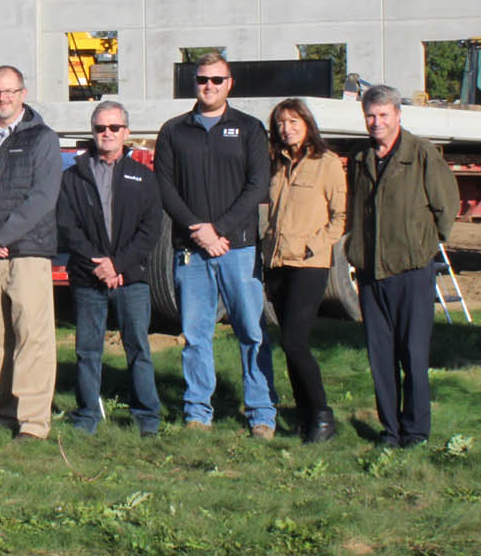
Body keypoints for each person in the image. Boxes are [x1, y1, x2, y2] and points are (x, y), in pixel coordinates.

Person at [154, 52, 275, 436]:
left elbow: (257, 185)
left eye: (217, 80)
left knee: (251, 332)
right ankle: (197, 411)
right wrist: (196, 229)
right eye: (203, 80)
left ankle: (261, 413)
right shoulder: (174, 131)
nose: (209, 86)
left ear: (230, 84)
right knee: (196, 334)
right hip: (192, 250)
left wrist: (220, 230)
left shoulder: (250, 128)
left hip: (237, 248)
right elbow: (165, 187)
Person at [344, 84, 459, 448]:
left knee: (413, 354)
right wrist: (355, 249)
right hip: (371, 273)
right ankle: (390, 430)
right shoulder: (360, 159)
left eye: (383, 115)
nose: (376, 122)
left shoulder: (421, 154)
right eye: (370, 116)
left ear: (397, 116)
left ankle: (416, 431)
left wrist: (421, 246)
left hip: (411, 270)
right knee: (381, 359)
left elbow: (446, 208)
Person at [0, 65, 61, 441]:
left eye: (8, 91)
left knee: (32, 338)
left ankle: (34, 421)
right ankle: (6, 411)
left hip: (28, 252)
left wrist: (2, 236)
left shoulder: (43, 139)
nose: (1, 98)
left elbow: (43, 197)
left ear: (23, 93)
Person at [58, 101, 162, 436]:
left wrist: (118, 264)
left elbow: (151, 229)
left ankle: (147, 417)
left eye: (114, 128)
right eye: (101, 128)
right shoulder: (73, 177)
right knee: (88, 350)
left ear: (126, 133)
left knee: (138, 349)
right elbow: (68, 226)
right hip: (88, 279)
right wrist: (98, 264)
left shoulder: (143, 177)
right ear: (93, 132)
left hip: (131, 278)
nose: (107, 134)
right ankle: (88, 415)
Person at [263, 97, 347, 443]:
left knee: (295, 341)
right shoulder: (278, 164)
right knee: (288, 342)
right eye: (281, 123)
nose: (287, 129)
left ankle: (323, 415)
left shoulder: (325, 162)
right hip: (278, 262)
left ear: (308, 124)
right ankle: (304, 415)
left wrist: (315, 245)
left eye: (294, 122)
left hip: (309, 264)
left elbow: (340, 217)